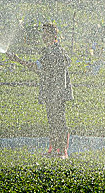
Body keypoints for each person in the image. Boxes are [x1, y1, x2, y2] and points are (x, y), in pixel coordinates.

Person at [7, 23, 74, 158]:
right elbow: (41, 69)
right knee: (52, 120)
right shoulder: (50, 50)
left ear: (53, 36)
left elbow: (37, 67)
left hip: (57, 92)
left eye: (46, 34)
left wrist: (17, 60)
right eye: (42, 34)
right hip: (51, 91)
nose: (43, 37)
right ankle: (53, 149)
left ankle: (62, 151)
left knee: (59, 121)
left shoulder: (55, 51)